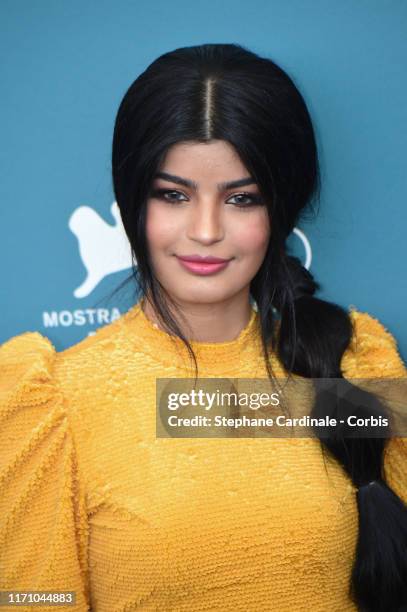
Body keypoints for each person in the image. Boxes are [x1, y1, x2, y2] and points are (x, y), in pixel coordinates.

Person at [1, 43, 406, 612]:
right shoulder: (53, 403)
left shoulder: (353, 361)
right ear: (132, 201)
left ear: (280, 210)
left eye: (242, 198)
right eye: (174, 195)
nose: (207, 230)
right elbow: (31, 599)